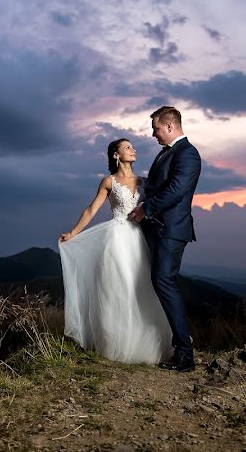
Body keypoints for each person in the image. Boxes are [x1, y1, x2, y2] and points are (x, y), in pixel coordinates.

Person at [58, 139, 173, 364]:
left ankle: (147, 344)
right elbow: (91, 209)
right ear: (115, 155)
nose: (133, 150)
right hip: (117, 239)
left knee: (141, 287)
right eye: (127, 147)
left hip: (140, 239)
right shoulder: (108, 182)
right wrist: (72, 233)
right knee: (118, 288)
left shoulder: (144, 181)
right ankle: (115, 344)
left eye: (133, 147)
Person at [129, 105, 201, 372]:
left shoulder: (188, 154)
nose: (152, 134)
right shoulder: (167, 153)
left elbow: (177, 189)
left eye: (155, 128)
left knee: (164, 282)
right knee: (160, 283)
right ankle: (176, 347)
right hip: (157, 229)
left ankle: (185, 354)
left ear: (170, 126)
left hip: (171, 230)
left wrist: (146, 208)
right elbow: (160, 184)